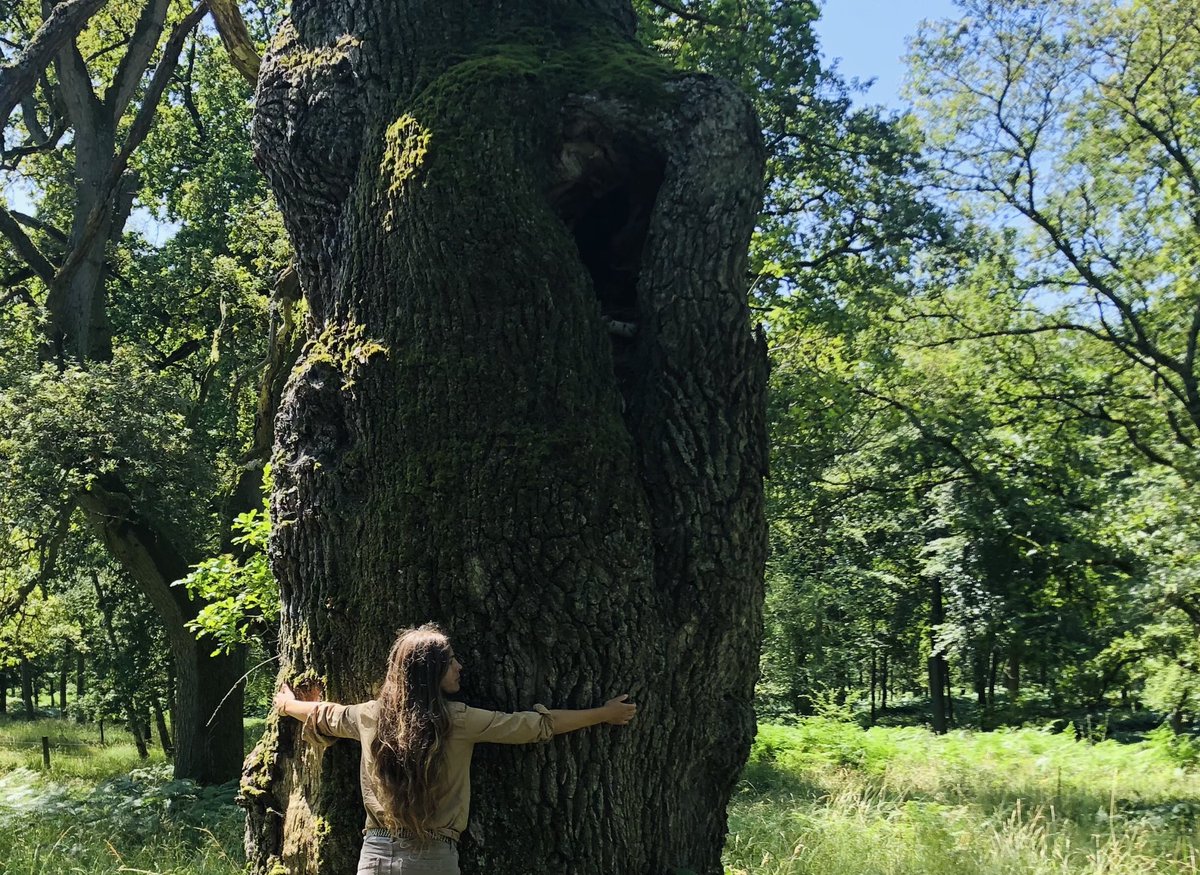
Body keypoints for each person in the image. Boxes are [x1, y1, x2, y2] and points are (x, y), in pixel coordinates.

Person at [274, 622, 637, 874]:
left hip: (375, 857)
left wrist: (287, 705)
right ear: (430, 673)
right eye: (451, 663)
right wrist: (603, 713)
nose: (459, 668)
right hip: (432, 857)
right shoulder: (458, 720)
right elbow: (536, 726)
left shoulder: (371, 716)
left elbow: (326, 714)